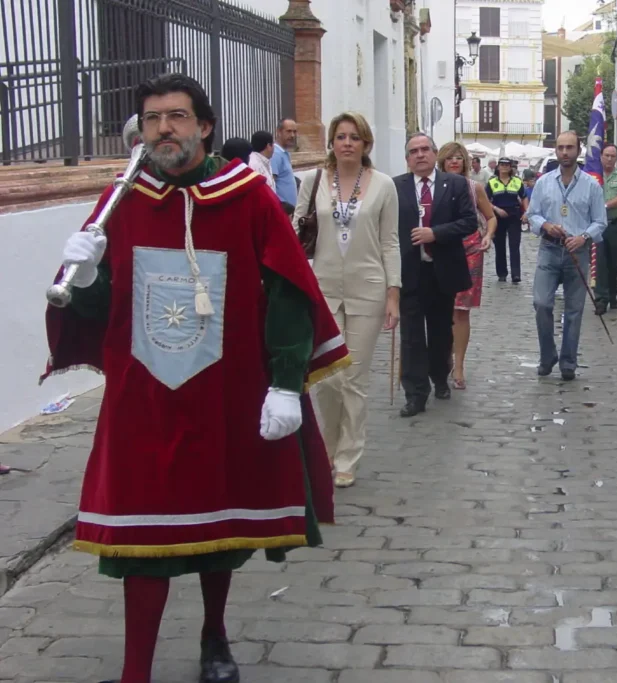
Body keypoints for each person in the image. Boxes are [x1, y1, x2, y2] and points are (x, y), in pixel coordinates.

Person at [42, 73, 350, 683]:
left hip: (224, 390)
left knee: (219, 527)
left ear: (204, 127)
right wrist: (83, 280)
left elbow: (289, 291)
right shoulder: (121, 201)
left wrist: (286, 381)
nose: (163, 129)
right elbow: (101, 310)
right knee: (139, 539)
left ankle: (214, 636)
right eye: (153, 118)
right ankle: (136, 671)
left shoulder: (248, 196)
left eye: (177, 117)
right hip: (143, 398)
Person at [293, 112, 401, 488]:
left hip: (368, 288)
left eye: (355, 137)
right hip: (322, 289)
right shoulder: (314, 180)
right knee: (325, 378)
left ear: (366, 144)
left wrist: (393, 293)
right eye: (341, 136)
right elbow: (297, 230)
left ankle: (347, 457)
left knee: (353, 377)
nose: (347, 143)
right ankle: (327, 447)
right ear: (332, 143)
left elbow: (390, 241)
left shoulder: (384, 186)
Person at [393, 133, 477, 417]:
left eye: (424, 149)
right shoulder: (396, 187)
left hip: (442, 270)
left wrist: (436, 233)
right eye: (413, 151)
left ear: (434, 152)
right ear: (407, 158)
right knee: (412, 334)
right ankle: (415, 393)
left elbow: (468, 222)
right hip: (410, 271)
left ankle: (440, 376)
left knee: (441, 332)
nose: (419, 155)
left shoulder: (454, 184)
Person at [526, 131, 607, 381]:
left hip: (577, 253)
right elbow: (532, 215)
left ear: (578, 150)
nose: (564, 152)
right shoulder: (544, 182)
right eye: (560, 147)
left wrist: (583, 236)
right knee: (541, 304)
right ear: (555, 150)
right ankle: (547, 355)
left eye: (569, 147)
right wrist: (546, 226)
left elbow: (600, 222)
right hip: (549, 250)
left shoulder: (591, 185)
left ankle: (568, 362)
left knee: (574, 310)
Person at [437, 141, 498, 390]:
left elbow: (490, 217)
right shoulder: (434, 189)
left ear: (465, 162)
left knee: (461, 311)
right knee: (440, 310)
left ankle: (459, 364)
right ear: (441, 161)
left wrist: (488, 236)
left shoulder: (475, 188)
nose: (454, 161)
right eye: (449, 157)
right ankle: (443, 359)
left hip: (470, 251)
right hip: (440, 251)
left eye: (458, 158)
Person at [595, 143, 617, 314]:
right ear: (601, 156)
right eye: (606, 155)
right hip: (597, 226)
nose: (609, 159)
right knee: (600, 262)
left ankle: (612, 293)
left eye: (613, 156)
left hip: (616, 224)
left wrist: (604, 205)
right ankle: (601, 299)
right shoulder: (593, 176)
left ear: (616, 158)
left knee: (614, 263)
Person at [487, 157, 529, 283]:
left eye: (507, 165)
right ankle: (502, 273)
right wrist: (496, 209)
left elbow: (524, 197)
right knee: (499, 246)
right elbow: (485, 201)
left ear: (510, 167)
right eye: (502, 164)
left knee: (514, 245)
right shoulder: (491, 182)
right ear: (498, 167)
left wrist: (526, 212)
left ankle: (516, 274)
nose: (504, 167)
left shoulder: (517, 181)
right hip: (498, 216)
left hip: (514, 215)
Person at [272, 117, 298, 214]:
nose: (292, 135)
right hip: (282, 211)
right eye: (288, 131)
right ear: (279, 132)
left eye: (295, 132)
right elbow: (271, 183)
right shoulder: (275, 154)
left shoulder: (284, 153)